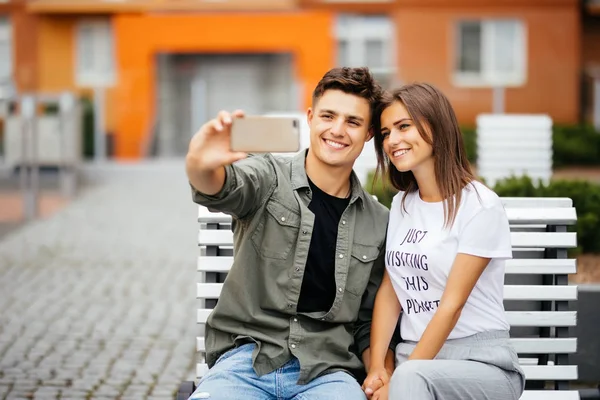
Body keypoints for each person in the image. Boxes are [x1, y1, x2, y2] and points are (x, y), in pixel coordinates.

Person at [185, 67, 399, 400]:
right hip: (247, 363)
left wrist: (379, 374)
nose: (338, 130)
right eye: (328, 116)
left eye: (353, 122)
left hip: (328, 372)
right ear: (311, 117)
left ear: (369, 132)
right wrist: (200, 164)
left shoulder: (378, 222)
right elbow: (221, 187)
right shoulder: (268, 176)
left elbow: (367, 325)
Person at [361, 83, 526, 400]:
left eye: (403, 126)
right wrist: (378, 369)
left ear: (437, 125)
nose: (393, 140)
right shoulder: (402, 204)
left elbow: (452, 306)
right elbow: (391, 290)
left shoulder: (480, 205)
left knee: (408, 380)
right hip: (416, 358)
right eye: (385, 133)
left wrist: (401, 379)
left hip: (480, 364)